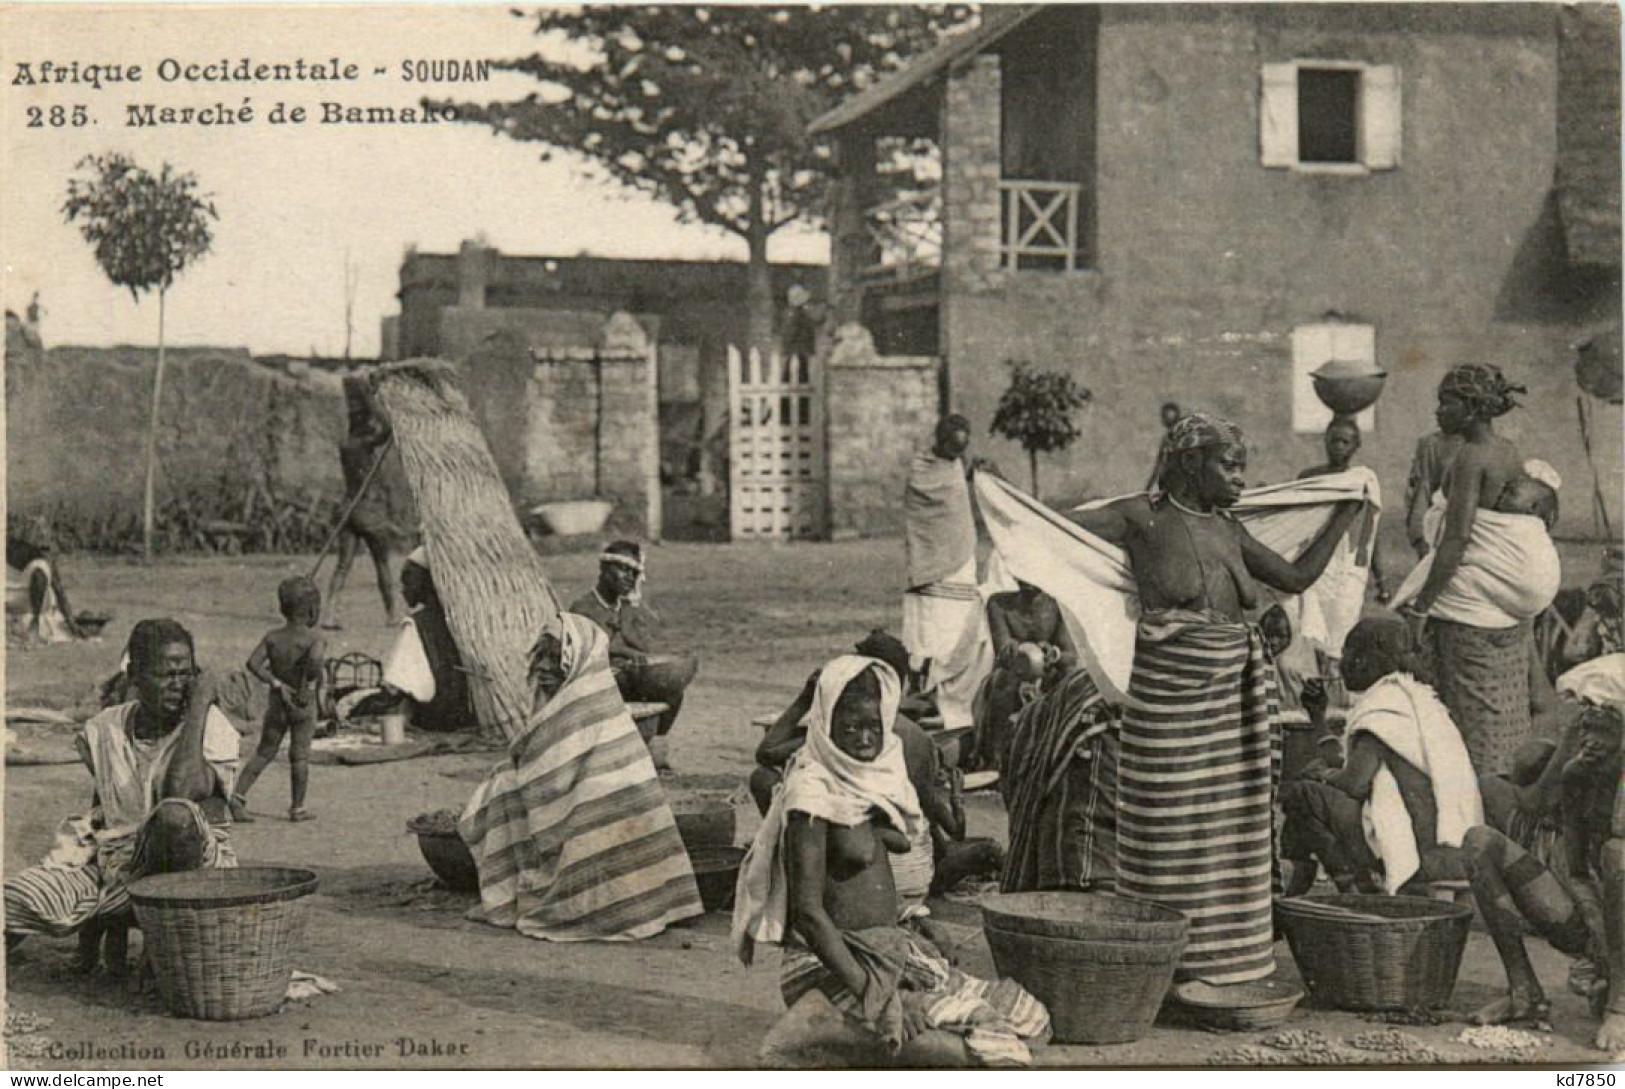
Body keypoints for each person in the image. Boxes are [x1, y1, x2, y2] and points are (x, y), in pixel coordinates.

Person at [1066, 411, 1362, 986]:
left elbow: (1297, 578)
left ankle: (1225, 959)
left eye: (1242, 467)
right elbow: (1059, 530)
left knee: (1230, 829)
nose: (1240, 478)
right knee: (1169, 827)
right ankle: (1167, 959)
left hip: (1230, 699)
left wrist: (1344, 514)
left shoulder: (1229, 529)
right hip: (1170, 699)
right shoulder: (1139, 519)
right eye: (1228, 465)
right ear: (1189, 461)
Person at [734, 657, 1050, 1067]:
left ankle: (842, 1031)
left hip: (887, 949)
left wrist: (914, 927)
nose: (865, 738)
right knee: (974, 1055)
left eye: (874, 726)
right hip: (834, 962)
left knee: (1032, 1019)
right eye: (850, 727)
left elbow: (892, 846)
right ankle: (816, 1024)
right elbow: (809, 914)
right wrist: (876, 994)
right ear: (825, 725)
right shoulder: (810, 795)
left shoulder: (871, 779)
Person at [4, 619, 239, 974]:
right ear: (135, 677)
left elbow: (178, 796)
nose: (180, 685)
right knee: (16, 896)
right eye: (168, 675)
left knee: (173, 817)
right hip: (121, 866)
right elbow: (102, 810)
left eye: (187, 673)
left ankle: (161, 942)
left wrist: (200, 706)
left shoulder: (210, 727)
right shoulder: (106, 728)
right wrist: (92, 920)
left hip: (194, 875)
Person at [459, 612, 704, 942]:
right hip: (591, 810)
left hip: (596, 819)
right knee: (504, 783)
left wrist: (510, 774)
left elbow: (552, 780)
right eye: (540, 656)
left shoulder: (585, 704)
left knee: (504, 789)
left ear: (577, 661)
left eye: (555, 657)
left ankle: (517, 896)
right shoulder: (584, 699)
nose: (544, 667)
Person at [1397, 364, 1557, 778]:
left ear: (1470, 408)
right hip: (1504, 613)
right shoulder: (1507, 450)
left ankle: (1474, 807)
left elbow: (1457, 540)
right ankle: (1505, 796)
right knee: (1503, 711)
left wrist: (1421, 608)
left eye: (1446, 403)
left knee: (1467, 723)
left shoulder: (1471, 457)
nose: (1438, 412)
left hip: (1473, 609)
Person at [749, 631, 976, 911]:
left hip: (866, 887)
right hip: (911, 873)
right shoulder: (911, 736)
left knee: (768, 781)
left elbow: (765, 754)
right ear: (902, 682)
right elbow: (926, 813)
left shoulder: (847, 730)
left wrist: (805, 699)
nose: (865, 737)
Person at [1278, 617, 1482, 897]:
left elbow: (1354, 783)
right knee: (1314, 793)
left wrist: (1321, 775)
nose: (1341, 664)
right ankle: (1304, 888)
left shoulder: (1386, 704)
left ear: (1362, 661)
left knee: (1301, 794)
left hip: (1421, 850)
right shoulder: (1414, 697)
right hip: (1450, 845)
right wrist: (1319, 718)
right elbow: (1349, 764)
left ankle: (1358, 889)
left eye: (1347, 655)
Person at [1462, 701, 1622, 1028]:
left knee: (1616, 852)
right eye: (1586, 732)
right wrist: (1594, 926)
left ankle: (1620, 1003)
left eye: (1604, 733)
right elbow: (1577, 872)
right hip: (1601, 926)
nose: (1591, 742)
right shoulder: (1577, 776)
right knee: (1479, 843)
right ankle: (1525, 992)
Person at [568, 541, 698, 769]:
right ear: (605, 570)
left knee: (673, 690)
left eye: (634, 573)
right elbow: (589, 649)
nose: (629, 577)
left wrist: (634, 608)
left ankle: (655, 751)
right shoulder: (584, 607)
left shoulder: (628, 607)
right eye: (623, 570)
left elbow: (647, 645)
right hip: (597, 681)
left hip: (628, 678)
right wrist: (625, 652)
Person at [902, 415, 994, 731]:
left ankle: (953, 697)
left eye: (961, 449)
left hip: (960, 562)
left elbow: (960, 483)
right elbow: (926, 503)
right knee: (929, 637)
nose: (956, 453)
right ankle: (924, 695)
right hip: (930, 565)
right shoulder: (922, 469)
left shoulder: (956, 464)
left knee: (960, 634)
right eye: (952, 447)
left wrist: (974, 472)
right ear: (939, 442)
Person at [321, 375, 419, 630]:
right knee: (382, 563)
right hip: (368, 510)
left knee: (343, 565)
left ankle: (330, 614)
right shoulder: (364, 444)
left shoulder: (346, 444)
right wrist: (371, 399)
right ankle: (391, 614)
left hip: (348, 508)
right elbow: (388, 427)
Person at [231, 577, 326, 823]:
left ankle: (238, 796)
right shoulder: (314, 639)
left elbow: (253, 663)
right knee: (300, 756)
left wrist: (275, 682)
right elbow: (315, 659)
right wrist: (306, 684)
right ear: (312, 610)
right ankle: (297, 808)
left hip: (278, 702)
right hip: (302, 703)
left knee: (264, 752)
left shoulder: (273, 637)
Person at [974, 581, 1079, 773]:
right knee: (1002, 681)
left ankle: (1065, 752)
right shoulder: (999, 604)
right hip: (1013, 673)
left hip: (1050, 674)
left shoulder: (1060, 605)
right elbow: (1003, 654)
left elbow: (1070, 657)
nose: (1027, 581)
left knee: (1071, 680)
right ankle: (996, 761)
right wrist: (1011, 651)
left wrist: (1053, 654)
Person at [379, 547, 476, 733]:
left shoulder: (416, 625)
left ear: (424, 583)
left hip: (433, 715)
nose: (403, 590)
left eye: (407, 582)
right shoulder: (463, 620)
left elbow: (400, 685)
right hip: (464, 712)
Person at [6, 534, 81, 644]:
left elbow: (58, 590)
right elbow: (58, 590)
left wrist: (71, 622)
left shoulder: (40, 564)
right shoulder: (41, 563)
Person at [1145, 401, 1183, 492]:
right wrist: (1147, 488)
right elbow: (1159, 464)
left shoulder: (1186, 436)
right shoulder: (1166, 439)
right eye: (1164, 417)